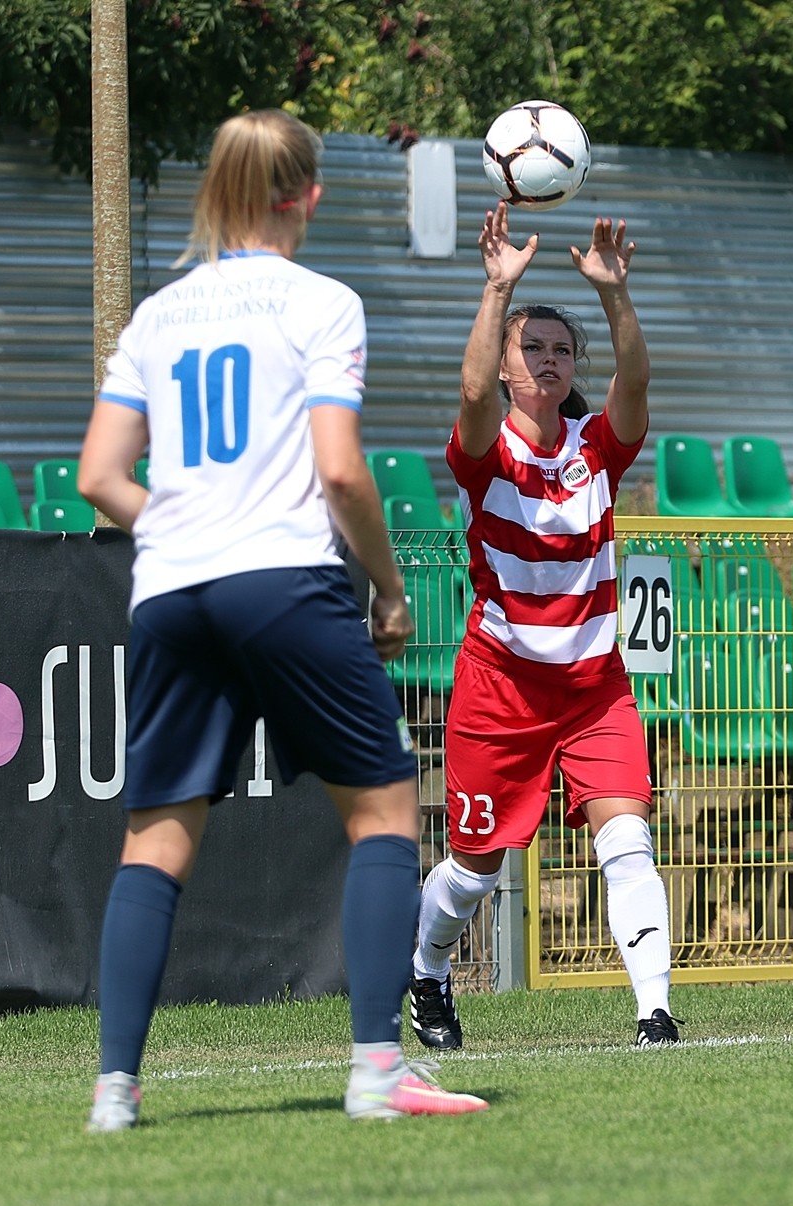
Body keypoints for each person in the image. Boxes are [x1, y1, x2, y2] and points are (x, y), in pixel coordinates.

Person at [78, 109, 487, 1129]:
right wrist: (387, 588)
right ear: (307, 193)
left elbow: (98, 477)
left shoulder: (157, 315)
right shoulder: (323, 302)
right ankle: (377, 1069)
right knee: (382, 809)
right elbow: (340, 471)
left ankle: (114, 1091)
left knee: (154, 839)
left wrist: (185, 525)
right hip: (283, 578)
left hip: (171, 588)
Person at [409, 201, 681, 1052]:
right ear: (504, 366)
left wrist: (613, 292)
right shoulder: (485, 451)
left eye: (561, 350)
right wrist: (497, 289)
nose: (548, 359)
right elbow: (467, 393)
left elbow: (635, 386)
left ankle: (655, 1016)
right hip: (500, 687)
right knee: (472, 871)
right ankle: (426, 971)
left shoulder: (596, 446)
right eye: (531, 348)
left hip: (595, 688)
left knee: (627, 841)